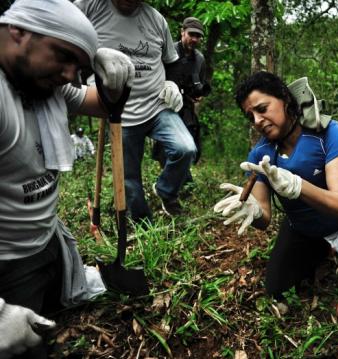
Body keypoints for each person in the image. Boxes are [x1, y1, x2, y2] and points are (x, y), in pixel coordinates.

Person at [0, 0, 135, 357]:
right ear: (19, 30)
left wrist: (112, 83)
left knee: (68, 291)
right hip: (10, 259)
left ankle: (68, 279)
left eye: (78, 66)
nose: (69, 74)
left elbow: (100, 103)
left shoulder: (44, 84)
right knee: (27, 343)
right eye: (63, 56)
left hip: (48, 239)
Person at [214, 71, 338, 299]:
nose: (257, 121)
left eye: (262, 109)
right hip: (304, 228)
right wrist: (253, 209)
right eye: (250, 116)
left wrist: (298, 186)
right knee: (276, 290)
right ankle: (321, 252)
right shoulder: (261, 154)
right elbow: (264, 218)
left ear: (285, 99)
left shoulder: (328, 133)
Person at [75, 0, 198, 220]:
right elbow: (64, 41)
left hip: (157, 105)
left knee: (186, 149)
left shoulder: (156, 19)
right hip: (118, 113)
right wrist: (90, 65)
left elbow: (172, 63)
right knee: (129, 177)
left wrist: (171, 83)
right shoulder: (89, 6)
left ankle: (165, 190)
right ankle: (142, 223)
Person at [152, 16, 211, 175]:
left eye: (198, 36)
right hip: (165, 107)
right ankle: (167, 184)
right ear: (182, 32)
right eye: (191, 34)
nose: (194, 39)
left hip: (187, 110)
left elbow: (199, 86)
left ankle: (181, 182)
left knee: (190, 147)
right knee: (167, 150)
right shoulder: (168, 52)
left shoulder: (199, 59)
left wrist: (197, 95)